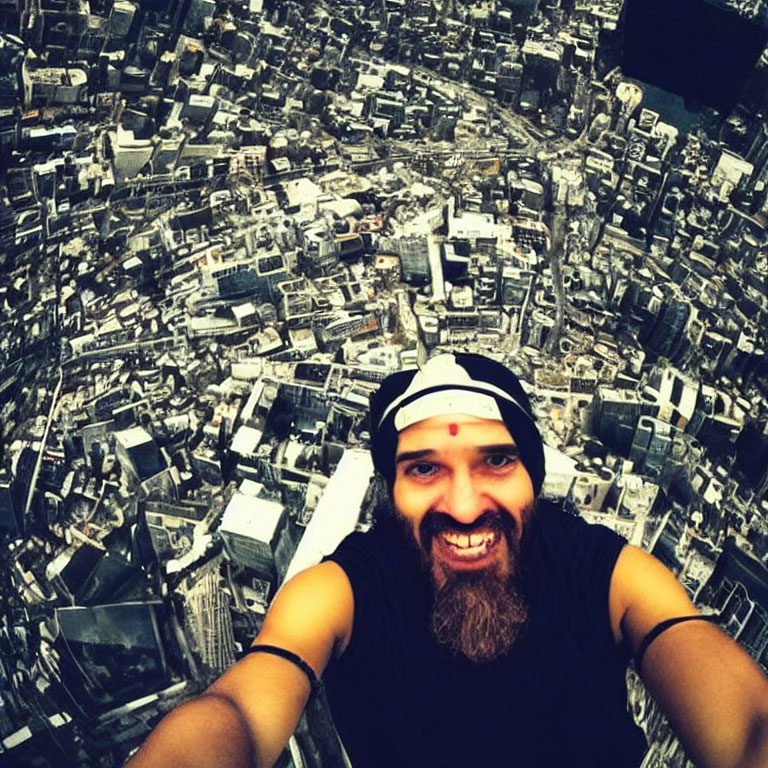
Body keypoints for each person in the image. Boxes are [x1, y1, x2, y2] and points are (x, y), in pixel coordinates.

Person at [128, 352, 768, 768]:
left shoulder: (608, 577)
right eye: (424, 468)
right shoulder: (341, 593)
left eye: (496, 460)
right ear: (392, 489)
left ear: (531, 479)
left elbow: (743, 726)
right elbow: (241, 708)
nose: (463, 506)